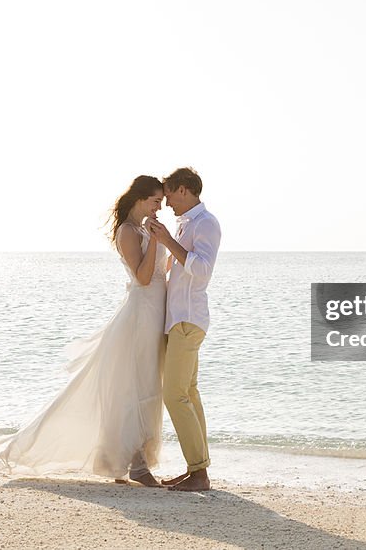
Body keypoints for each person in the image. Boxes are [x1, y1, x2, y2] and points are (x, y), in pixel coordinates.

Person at [0, 175, 168, 487]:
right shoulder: (128, 232)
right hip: (141, 314)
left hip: (156, 312)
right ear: (141, 198)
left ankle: (119, 460)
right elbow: (142, 276)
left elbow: (159, 271)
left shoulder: (144, 229)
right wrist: (156, 240)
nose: (159, 208)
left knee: (147, 384)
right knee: (136, 386)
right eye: (155, 201)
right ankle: (134, 465)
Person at [147, 167, 222, 492]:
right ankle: (198, 470)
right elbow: (179, 266)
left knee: (174, 395)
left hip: (188, 320)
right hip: (179, 318)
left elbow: (202, 270)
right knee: (188, 393)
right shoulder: (185, 224)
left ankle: (199, 473)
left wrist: (166, 241)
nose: (167, 203)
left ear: (183, 190)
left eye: (169, 194)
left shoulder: (206, 223)